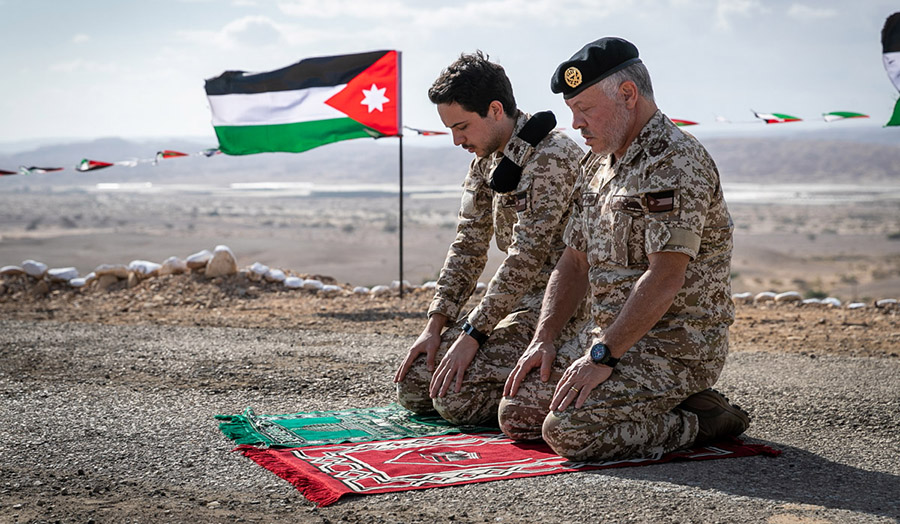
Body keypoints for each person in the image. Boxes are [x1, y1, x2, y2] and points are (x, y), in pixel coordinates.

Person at [499, 37, 750, 461]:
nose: (576, 123)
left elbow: (665, 276)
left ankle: (700, 420)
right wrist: (544, 338)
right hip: (609, 338)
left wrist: (601, 358)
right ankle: (661, 403)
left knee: (569, 433)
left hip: (674, 345)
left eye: (585, 109)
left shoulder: (675, 161)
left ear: (628, 95)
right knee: (517, 414)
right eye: (571, 110)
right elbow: (574, 261)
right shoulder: (597, 162)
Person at [394, 51, 587, 427]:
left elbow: (525, 256)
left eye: (462, 126)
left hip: (560, 308)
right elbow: (468, 245)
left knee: (455, 400)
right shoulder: (487, 161)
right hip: (513, 304)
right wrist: (435, 325)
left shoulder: (550, 158)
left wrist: (475, 332)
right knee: (416, 386)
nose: (456, 140)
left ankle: (542, 390)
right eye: (451, 129)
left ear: (495, 110)